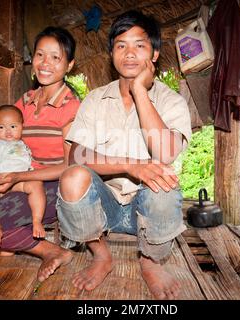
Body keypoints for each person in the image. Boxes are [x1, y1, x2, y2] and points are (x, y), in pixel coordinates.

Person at [56, 10, 192, 300]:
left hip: (148, 208)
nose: (129, 54)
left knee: (163, 183)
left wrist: (140, 92)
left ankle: (151, 262)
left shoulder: (172, 101)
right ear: (111, 53)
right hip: (103, 207)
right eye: (121, 45)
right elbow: (76, 155)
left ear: (154, 54)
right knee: (72, 177)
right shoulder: (95, 99)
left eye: (139, 45)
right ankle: (101, 255)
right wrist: (132, 166)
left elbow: (165, 153)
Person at [0, 26, 80, 282]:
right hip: (16, 173)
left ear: (69, 65)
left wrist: (17, 177)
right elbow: (4, 135)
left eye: (55, 57)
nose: (45, 63)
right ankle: (1, 242)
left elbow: (70, 167)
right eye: (40, 55)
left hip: (47, 186)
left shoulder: (72, 106)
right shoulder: (26, 99)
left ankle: (50, 251)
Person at [0, 105, 46, 252]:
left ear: (22, 127)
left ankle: (37, 220)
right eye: (2, 127)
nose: (8, 131)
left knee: (36, 184)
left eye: (13, 126)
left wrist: (33, 170)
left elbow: (28, 162)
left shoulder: (23, 145)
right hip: (1, 179)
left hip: (20, 181)